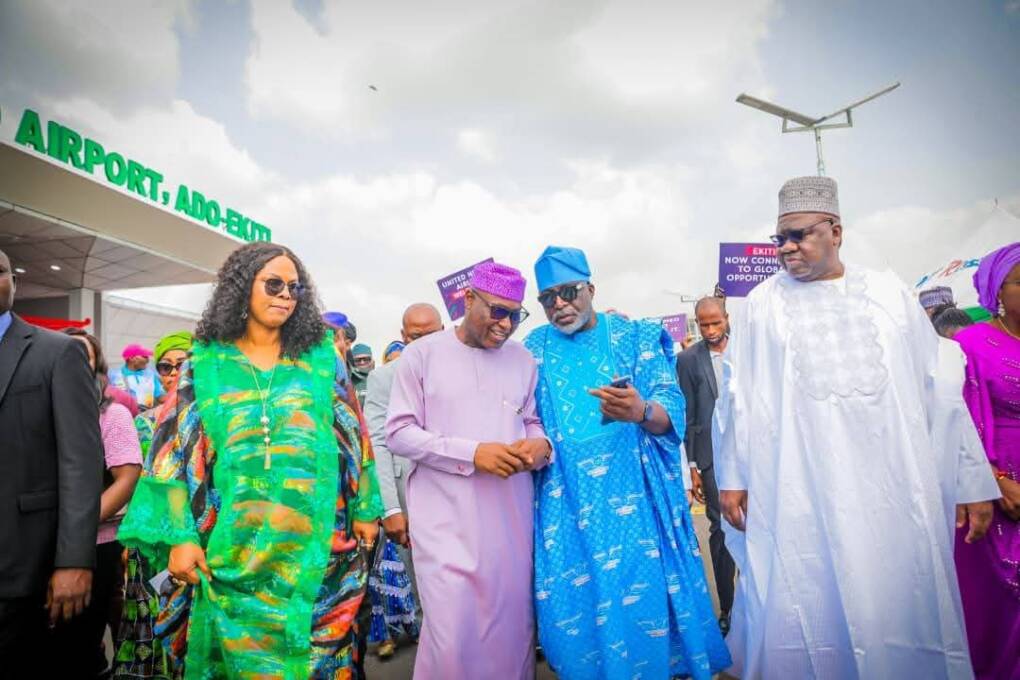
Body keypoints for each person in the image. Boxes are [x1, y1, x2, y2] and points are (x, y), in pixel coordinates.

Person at [716, 176, 998, 679]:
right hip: (799, 492)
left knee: (901, 603)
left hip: (893, 492)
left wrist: (971, 481)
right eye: (780, 238)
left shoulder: (888, 293)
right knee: (804, 603)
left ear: (836, 231)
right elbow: (737, 396)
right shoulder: (761, 304)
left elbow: (939, 388)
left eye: (799, 235)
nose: (786, 248)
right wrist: (733, 477)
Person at [117, 242, 383, 677]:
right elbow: (170, 455)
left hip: (318, 551)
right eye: (274, 284)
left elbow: (355, 434)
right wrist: (182, 538)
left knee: (318, 662)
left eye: (295, 288)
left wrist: (366, 507)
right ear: (242, 286)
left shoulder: (321, 358)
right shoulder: (204, 363)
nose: (286, 295)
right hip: (231, 552)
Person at [524, 246, 730, 680]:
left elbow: (673, 406)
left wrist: (641, 410)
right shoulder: (531, 350)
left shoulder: (634, 336)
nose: (559, 304)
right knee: (582, 611)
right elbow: (523, 417)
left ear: (591, 288)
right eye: (547, 298)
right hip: (569, 509)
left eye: (568, 292)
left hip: (640, 502)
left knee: (651, 601)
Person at [386, 262, 550, 679]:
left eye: (515, 315)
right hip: (446, 527)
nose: (506, 324)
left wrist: (541, 445)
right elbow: (399, 433)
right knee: (451, 635)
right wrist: (472, 454)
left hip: (509, 524)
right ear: (468, 299)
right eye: (497, 311)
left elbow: (531, 420)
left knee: (511, 635)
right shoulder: (421, 355)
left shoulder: (523, 359)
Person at [0, 248, 103, 676]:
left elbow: (81, 463)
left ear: (14, 282)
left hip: (23, 567)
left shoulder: (57, 353)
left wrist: (74, 560)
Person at [59, 328, 143, 678]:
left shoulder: (112, 414)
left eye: (83, 356)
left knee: (80, 643)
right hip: (39, 544)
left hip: (96, 544)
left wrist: (74, 529)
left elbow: (127, 478)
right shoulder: (39, 406)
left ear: (97, 366)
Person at [953, 242, 1020, 680]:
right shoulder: (970, 344)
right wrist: (992, 480)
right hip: (994, 490)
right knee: (998, 615)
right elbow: (956, 423)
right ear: (997, 289)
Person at [363, 304, 443, 659]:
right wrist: (391, 508)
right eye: (414, 337)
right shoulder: (384, 379)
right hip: (408, 496)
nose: (422, 344)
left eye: (431, 335)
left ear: (444, 331)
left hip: (459, 493)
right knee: (423, 583)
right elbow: (378, 443)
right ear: (403, 337)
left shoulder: (463, 368)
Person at [113, 330, 193, 679]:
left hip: (195, 540)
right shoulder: (143, 423)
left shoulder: (212, 418)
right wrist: (129, 541)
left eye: (182, 363)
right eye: (165, 366)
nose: (173, 372)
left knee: (191, 626)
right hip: (151, 542)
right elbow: (134, 484)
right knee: (152, 619)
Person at [676, 295, 737, 635]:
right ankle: (728, 608)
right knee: (721, 527)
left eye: (716, 322)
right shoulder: (688, 360)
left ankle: (761, 605)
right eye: (704, 325)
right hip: (711, 457)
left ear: (727, 318)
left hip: (751, 453)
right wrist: (693, 465)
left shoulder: (747, 349)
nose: (711, 330)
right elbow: (688, 415)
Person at [111, 343, 164, 410]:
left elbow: (160, 397)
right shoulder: (114, 376)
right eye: (145, 357)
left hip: (146, 415)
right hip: (123, 415)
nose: (148, 360)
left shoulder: (151, 375)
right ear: (131, 358)